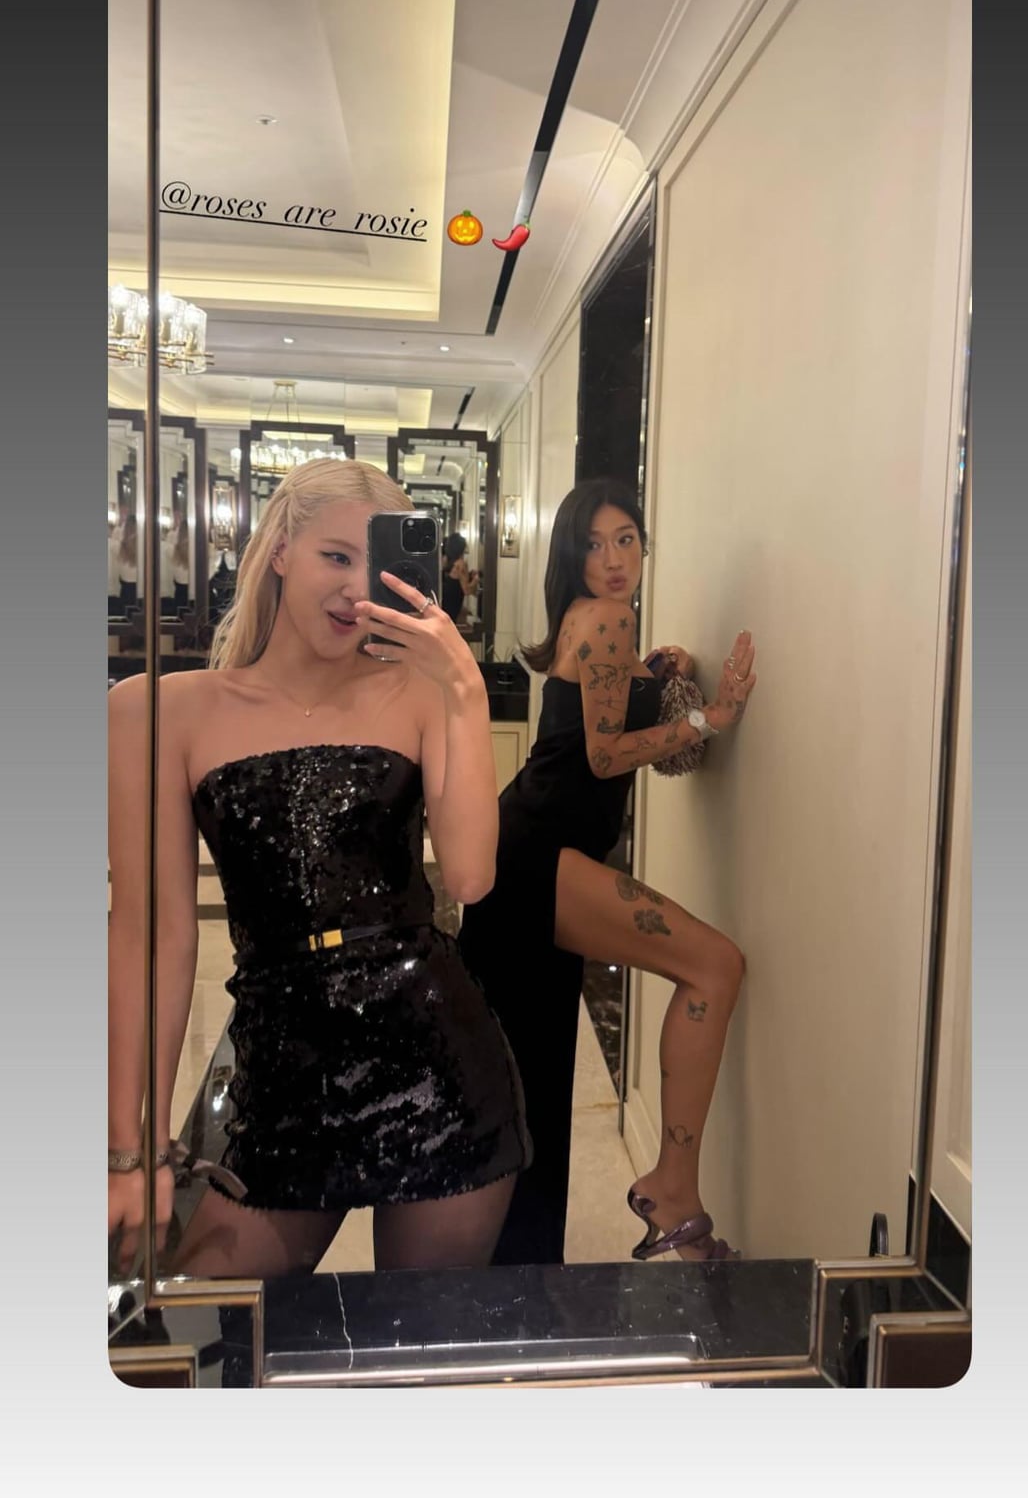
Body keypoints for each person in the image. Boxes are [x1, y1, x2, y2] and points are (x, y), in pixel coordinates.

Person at [108, 458, 530, 1282]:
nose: (355, 589)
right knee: (211, 1328)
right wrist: (133, 1148)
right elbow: (151, 937)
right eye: (335, 556)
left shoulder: (418, 695)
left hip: (436, 1070)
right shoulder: (158, 710)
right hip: (282, 1072)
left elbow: (472, 877)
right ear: (279, 550)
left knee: (413, 1348)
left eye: (377, 566)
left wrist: (463, 689)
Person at [457, 478, 755, 1266]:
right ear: (570, 553)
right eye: (594, 544)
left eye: (627, 539)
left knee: (529, 1071)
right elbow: (601, 754)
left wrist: (663, 669)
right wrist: (709, 716)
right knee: (716, 965)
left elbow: (603, 707)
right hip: (539, 857)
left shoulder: (589, 620)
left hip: (532, 851)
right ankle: (672, 1188)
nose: (614, 558)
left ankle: (519, 1273)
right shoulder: (605, 618)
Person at [440, 533, 479, 630]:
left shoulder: (445, 561)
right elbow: (467, 590)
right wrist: (475, 579)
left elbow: (454, 578)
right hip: (453, 601)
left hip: (445, 599)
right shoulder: (461, 564)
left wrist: (468, 575)